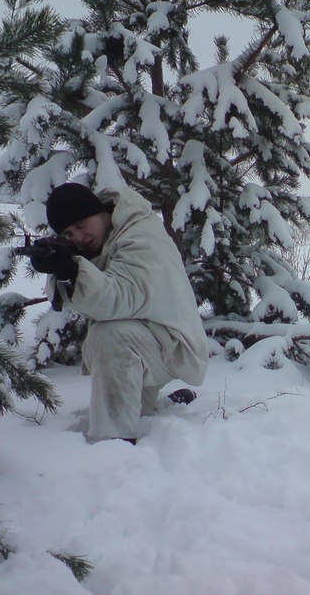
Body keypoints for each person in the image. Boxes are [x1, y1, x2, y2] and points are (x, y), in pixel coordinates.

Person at [29, 182, 209, 443]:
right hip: (150, 333)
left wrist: (73, 269)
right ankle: (159, 406)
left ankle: (113, 442)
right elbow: (76, 296)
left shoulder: (140, 234)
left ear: (100, 211)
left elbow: (122, 296)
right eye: (68, 234)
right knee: (139, 412)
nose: (78, 237)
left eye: (81, 225)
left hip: (175, 345)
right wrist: (63, 268)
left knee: (109, 335)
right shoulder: (109, 234)